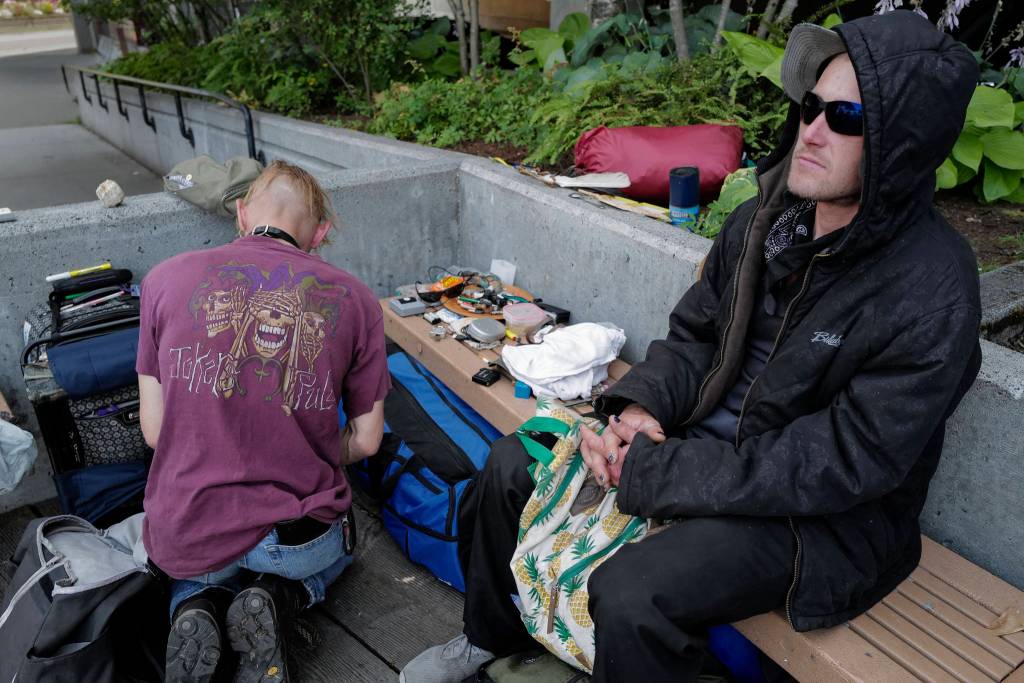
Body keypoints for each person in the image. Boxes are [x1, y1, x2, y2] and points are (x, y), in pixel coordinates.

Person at [402, 10, 982, 683]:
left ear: (900, 143)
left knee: (632, 593)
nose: (812, 131)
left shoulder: (933, 286)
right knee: (508, 465)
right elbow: (695, 335)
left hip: (817, 519)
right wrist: (641, 410)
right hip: (692, 449)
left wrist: (661, 473)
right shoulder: (764, 221)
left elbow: (842, 460)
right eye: (812, 106)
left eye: (846, 117)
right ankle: (493, 636)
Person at [137, 161, 390, 683]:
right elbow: (367, 440)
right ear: (319, 235)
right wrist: (309, 447)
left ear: (241, 214)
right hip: (295, 541)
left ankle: (194, 606)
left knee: (191, 572)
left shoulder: (163, 280)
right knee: (345, 545)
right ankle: (280, 597)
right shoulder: (356, 300)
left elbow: (156, 433)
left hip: (192, 531)